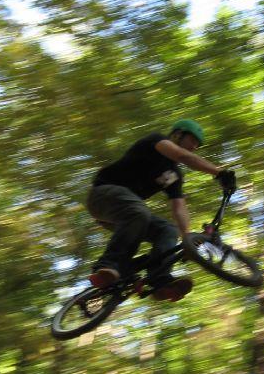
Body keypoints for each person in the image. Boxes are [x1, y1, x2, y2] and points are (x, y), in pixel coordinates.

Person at [87, 119, 236, 302]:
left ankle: (158, 280)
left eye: (197, 144)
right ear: (177, 135)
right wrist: (219, 173)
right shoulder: (157, 142)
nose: (195, 147)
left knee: (168, 230)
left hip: (126, 214)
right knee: (139, 212)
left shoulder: (173, 175)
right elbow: (183, 156)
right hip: (102, 196)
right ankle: (108, 264)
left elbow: (178, 206)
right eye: (192, 140)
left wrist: (187, 238)